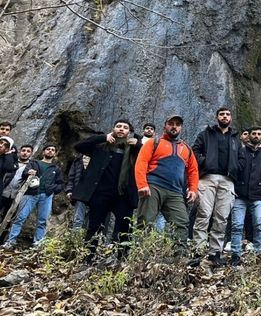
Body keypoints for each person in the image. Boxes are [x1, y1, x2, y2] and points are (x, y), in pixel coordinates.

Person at [73, 119, 142, 257]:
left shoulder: (134, 149)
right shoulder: (101, 145)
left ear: (129, 132)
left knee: (125, 228)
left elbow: (151, 157)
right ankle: (88, 257)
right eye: (118, 126)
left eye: (125, 127)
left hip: (123, 195)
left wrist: (139, 145)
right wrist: (102, 137)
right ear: (113, 129)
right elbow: (79, 146)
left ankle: (122, 259)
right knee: (94, 227)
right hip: (100, 194)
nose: (121, 129)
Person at [135, 115, 199, 247]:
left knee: (182, 222)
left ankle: (179, 256)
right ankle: (141, 257)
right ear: (165, 126)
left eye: (177, 124)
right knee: (146, 221)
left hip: (175, 191)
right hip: (153, 187)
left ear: (181, 127)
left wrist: (193, 189)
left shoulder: (187, 149)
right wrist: (142, 185)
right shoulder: (154, 142)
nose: (174, 126)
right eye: (171, 123)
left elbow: (193, 171)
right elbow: (141, 162)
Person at [191, 107, 241, 266]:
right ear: (216, 117)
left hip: (227, 180)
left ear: (231, 118)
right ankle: (197, 252)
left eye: (227, 114)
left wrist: (235, 168)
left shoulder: (235, 138)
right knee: (203, 214)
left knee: (221, 218)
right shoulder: (206, 134)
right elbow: (194, 151)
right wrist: (205, 162)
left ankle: (215, 254)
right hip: (207, 178)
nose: (225, 117)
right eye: (222, 114)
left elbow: (241, 158)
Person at [4, 145, 65, 247]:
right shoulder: (34, 163)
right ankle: (11, 241)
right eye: (48, 149)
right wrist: (28, 172)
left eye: (52, 150)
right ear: (43, 152)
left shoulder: (56, 168)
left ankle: (37, 244)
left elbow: (61, 184)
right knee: (20, 218)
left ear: (55, 154)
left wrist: (51, 189)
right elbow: (24, 174)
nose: (50, 151)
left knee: (42, 221)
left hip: (46, 196)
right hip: (30, 194)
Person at [231, 127, 261, 266]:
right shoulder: (240, 152)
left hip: (258, 196)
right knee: (237, 225)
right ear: (248, 136)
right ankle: (235, 255)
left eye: (259, 134)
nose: (256, 136)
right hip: (240, 195)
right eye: (253, 133)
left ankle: (259, 254)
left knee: (260, 225)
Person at [0, 141, 28, 220]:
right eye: (23, 150)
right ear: (19, 152)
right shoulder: (11, 160)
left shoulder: (32, 165)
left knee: (7, 218)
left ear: (31, 154)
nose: (25, 153)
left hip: (15, 196)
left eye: (28, 151)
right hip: (3, 191)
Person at [65, 154, 89, 231]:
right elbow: (71, 177)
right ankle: (75, 239)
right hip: (80, 192)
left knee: (91, 220)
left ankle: (87, 241)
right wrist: (69, 190)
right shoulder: (78, 160)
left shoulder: (99, 157)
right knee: (78, 218)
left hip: (94, 193)